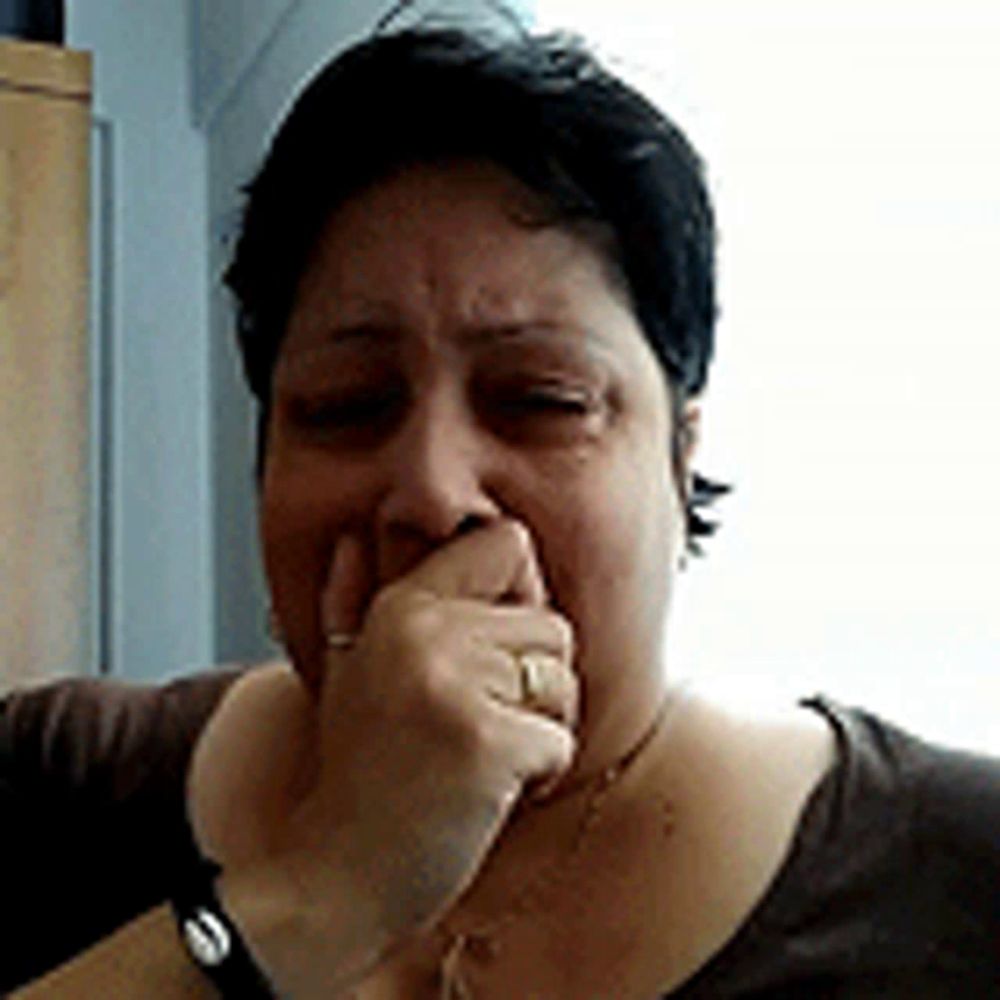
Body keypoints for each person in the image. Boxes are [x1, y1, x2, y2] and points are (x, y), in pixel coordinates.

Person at [7, 21, 999, 999]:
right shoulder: (53, 781)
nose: (434, 493)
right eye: (348, 405)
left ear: (678, 454)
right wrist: (324, 888)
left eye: (540, 400)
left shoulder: (957, 872)